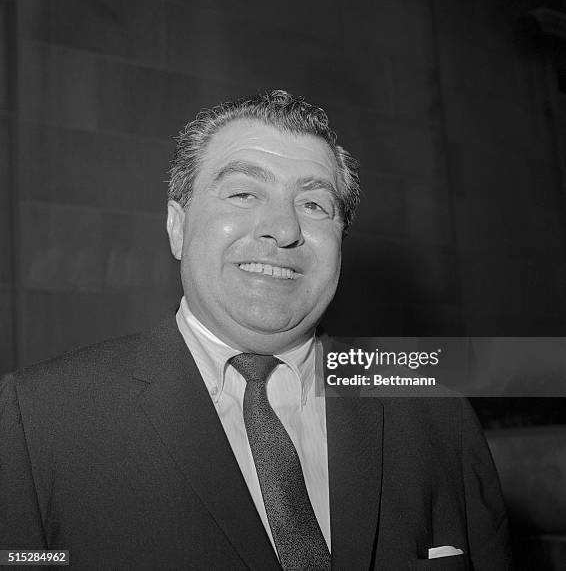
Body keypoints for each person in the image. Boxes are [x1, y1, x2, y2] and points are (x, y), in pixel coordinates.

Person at [0, 90, 511, 570]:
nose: (284, 230)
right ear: (177, 227)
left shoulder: (435, 415)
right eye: (243, 193)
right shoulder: (38, 419)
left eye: (314, 205)